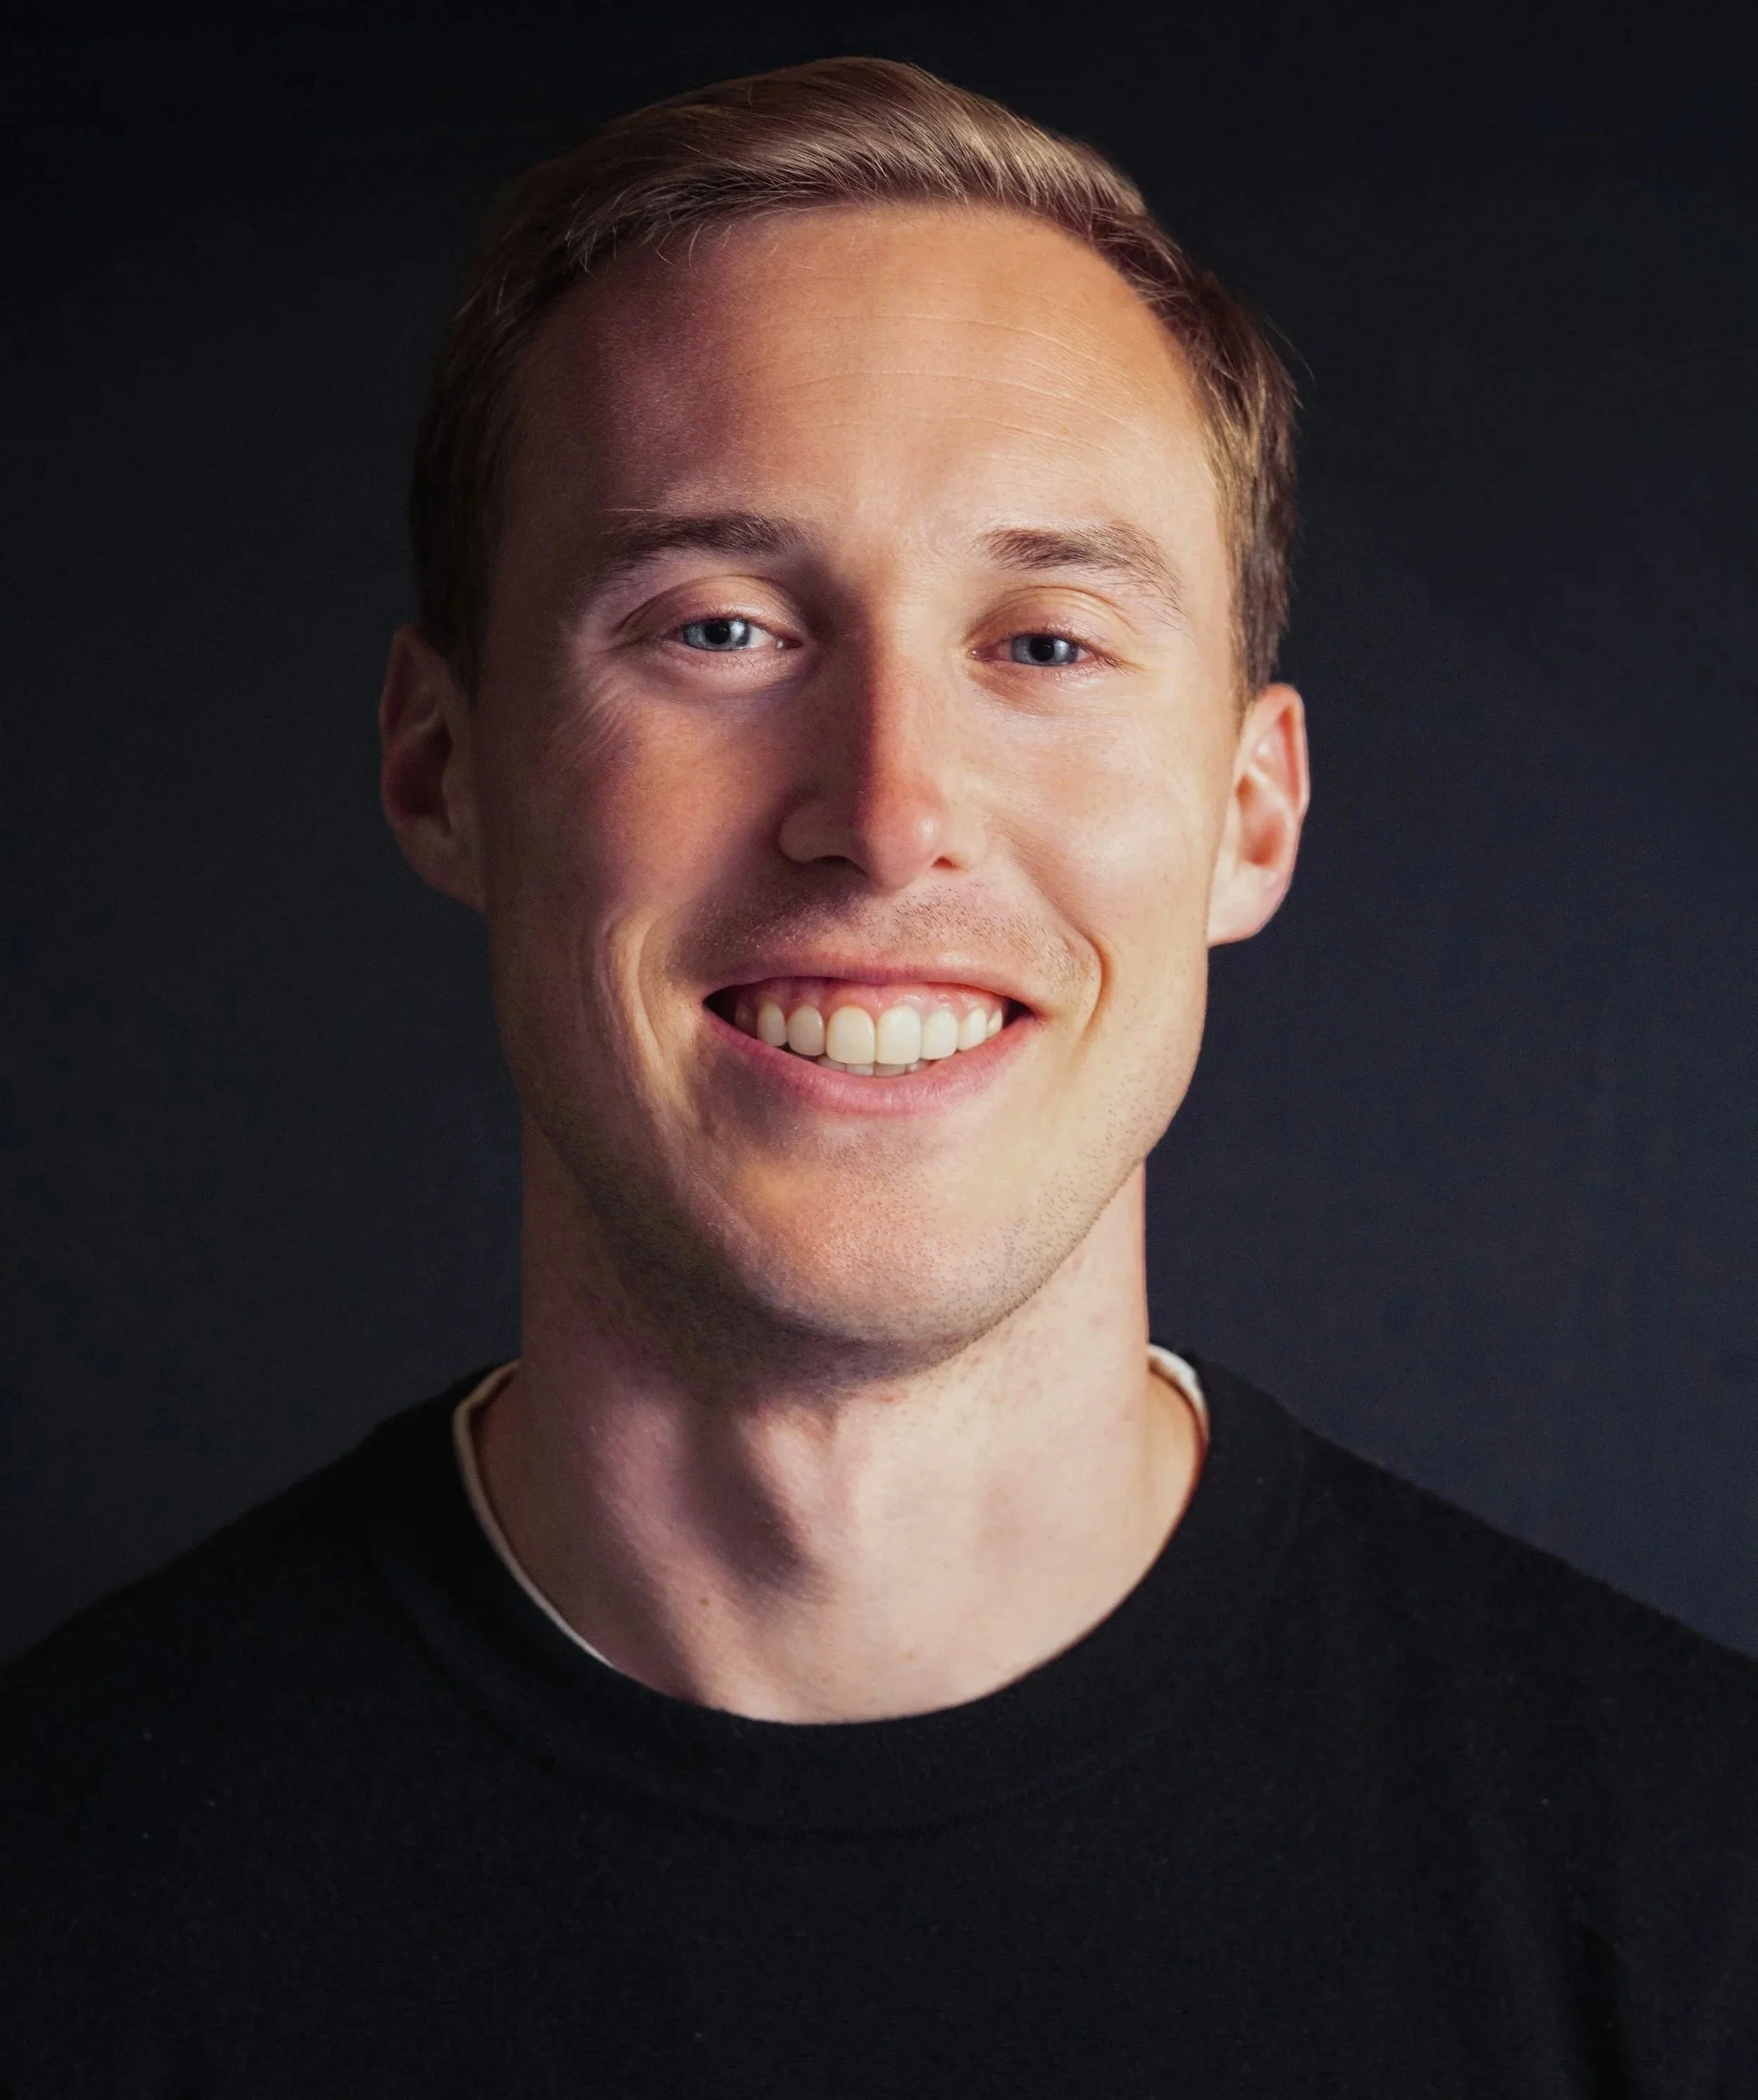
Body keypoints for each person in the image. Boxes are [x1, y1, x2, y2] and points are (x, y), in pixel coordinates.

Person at [3, 56, 1754, 2096]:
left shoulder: (1694, 1900)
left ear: (1250, 820)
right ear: (441, 767)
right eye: (720, 627)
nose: (887, 811)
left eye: (1043, 644)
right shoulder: (58, 1910)